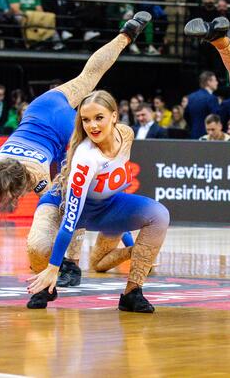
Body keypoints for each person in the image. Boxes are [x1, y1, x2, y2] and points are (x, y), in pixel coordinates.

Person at [0, 12, 152, 287]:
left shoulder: (30, 175)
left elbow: (72, 206)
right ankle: (126, 35)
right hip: (41, 106)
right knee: (89, 75)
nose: (3, 202)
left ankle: (71, 262)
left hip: (61, 129)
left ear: (18, 185)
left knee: (76, 190)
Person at [25, 91, 169, 313]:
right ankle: (46, 285)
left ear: (114, 116)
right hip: (61, 204)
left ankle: (133, 293)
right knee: (38, 246)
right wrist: (54, 267)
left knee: (159, 215)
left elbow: (116, 190)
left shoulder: (126, 134)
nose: (92, 126)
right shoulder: (86, 158)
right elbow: (71, 220)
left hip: (105, 208)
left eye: (98, 117)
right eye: (85, 120)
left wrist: (130, 238)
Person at [184, 70, 220, 139]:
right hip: (208, 136)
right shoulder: (212, 98)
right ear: (209, 82)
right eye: (215, 80)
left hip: (193, 134)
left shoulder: (191, 97)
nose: (217, 83)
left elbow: (186, 115)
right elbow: (215, 118)